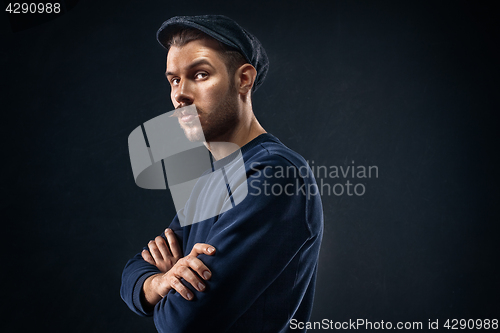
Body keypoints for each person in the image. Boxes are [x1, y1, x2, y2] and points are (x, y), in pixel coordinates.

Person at [120, 15, 324, 333]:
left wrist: (162, 294)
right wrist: (159, 282)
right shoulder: (211, 180)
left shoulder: (274, 175)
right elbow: (135, 270)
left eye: (199, 74)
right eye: (173, 80)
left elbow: (182, 321)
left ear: (243, 79)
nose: (179, 95)